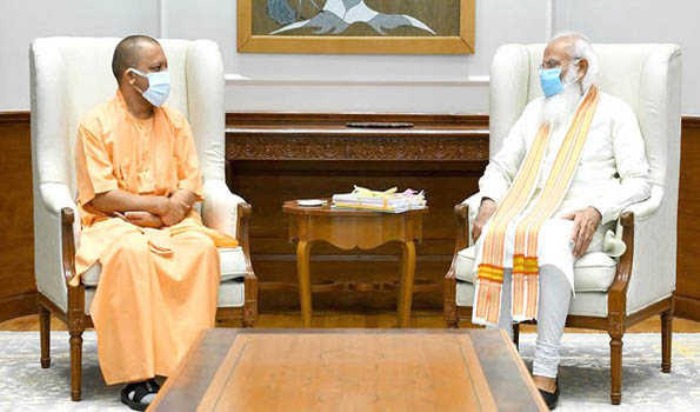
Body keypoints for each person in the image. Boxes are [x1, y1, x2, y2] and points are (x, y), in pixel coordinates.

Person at [470, 32, 651, 409]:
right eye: (542, 66)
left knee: (552, 238)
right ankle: (501, 362)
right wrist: (488, 203)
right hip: (528, 214)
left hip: (581, 222)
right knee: (497, 233)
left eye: (552, 66)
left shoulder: (614, 112)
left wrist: (597, 209)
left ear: (580, 68)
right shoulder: (535, 112)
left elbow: (639, 181)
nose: (544, 74)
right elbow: (502, 166)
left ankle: (545, 372)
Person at [72, 35, 235, 411]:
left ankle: (188, 368)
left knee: (201, 250)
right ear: (131, 77)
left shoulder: (175, 122)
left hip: (173, 222)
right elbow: (102, 195)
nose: (165, 76)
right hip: (115, 222)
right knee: (131, 254)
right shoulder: (95, 124)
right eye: (157, 68)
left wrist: (167, 212)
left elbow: (191, 183)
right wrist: (159, 206)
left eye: (165, 67)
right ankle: (138, 377)